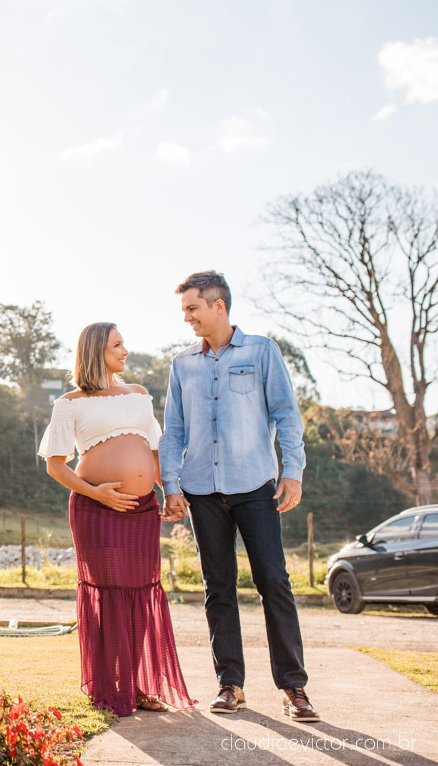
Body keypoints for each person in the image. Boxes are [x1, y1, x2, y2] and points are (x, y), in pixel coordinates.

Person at [158, 270, 319, 723]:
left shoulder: (262, 351)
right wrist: (171, 484)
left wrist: (293, 472)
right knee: (218, 588)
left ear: (218, 306)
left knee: (274, 582)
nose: (187, 317)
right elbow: (173, 430)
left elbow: (287, 415)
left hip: (255, 486)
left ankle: (293, 687)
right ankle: (230, 684)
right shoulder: (182, 364)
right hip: (201, 490)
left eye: (192, 308)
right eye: (184, 310)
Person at [39, 322, 195, 716]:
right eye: (117, 345)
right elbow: (56, 466)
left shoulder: (139, 394)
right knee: (108, 594)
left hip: (142, 510)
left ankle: (138, 686)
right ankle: (108, 687)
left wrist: (170, 491)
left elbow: (156, 452)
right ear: (96, 352)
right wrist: (98, 493)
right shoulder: (70, 403)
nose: (125, 351)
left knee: (141, 591)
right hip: (95, 509)